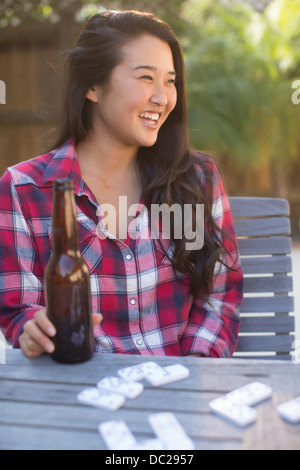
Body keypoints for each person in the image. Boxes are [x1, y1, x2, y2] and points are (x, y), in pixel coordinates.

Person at [0, 10, 243, 359]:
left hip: (180, 392)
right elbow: (19, 309)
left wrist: (190, 376)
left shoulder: (195, 181)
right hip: (81, 396)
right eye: (146, 77)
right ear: (92, 87)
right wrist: (32, 329)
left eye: (170, 81)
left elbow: (220, 295)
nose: (162, 98)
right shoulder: (24, 191)